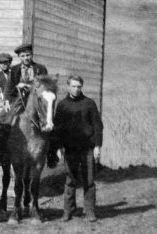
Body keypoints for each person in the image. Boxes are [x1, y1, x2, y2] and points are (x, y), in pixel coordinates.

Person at [55, 75, 103, 222]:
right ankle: (68, 211)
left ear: (81, 87)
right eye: (73, 86)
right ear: (68, 87)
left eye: (79, 87)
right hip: (70, 149)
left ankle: (89, 211)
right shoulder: (62, 105)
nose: (76, 89)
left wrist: (97, 146)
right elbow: (58, 128)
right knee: (70, 180)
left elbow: (97, 126)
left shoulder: (89, 103)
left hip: (87, 148)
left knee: (89, 180)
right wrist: (58, 146)